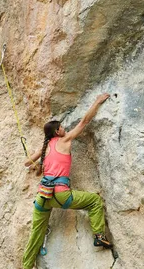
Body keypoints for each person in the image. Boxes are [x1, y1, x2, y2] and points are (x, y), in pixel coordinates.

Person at [22, 93, 113, 269]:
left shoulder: (44, 147)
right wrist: (97, 102)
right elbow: (84, 122)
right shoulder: (64, 140)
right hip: (61, 194)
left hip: (43, 196)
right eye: (62, 127)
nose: (64, 128)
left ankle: (26, 265)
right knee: (94, 201)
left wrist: (36, 160)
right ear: (57, 132)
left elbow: (27, 163)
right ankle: (99, 236)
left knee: (36, 232)